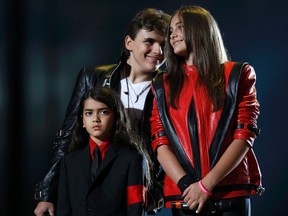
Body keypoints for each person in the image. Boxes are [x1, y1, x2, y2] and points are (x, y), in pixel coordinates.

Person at [34, 8, 170, 216]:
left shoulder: (168, 90)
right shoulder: (93, 77)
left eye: (164, 45)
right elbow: (68, 137)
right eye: (150, 42)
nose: (158, 51)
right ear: (129, 43)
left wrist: (154, 195)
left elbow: (175, 150)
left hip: (132, 195)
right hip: (88, 188)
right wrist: (47, 194)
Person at [150, 5, 264, 216]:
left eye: (179, 27)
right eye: (171, 30)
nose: (172, 34)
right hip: (185, 198)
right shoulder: (161, 85)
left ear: (200, 29)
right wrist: (188, 186)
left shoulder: (238, 74)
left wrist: (205, 186)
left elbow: (245, 135)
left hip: (230, 197)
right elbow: (160, 141)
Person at [57, 87, 149, 215]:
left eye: (104, 112)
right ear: (82, 120)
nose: (95, 119)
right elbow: (63, 209)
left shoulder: (132, 159)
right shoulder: (69, 162)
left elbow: (135, 209)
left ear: (116, 117)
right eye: (89, 113)